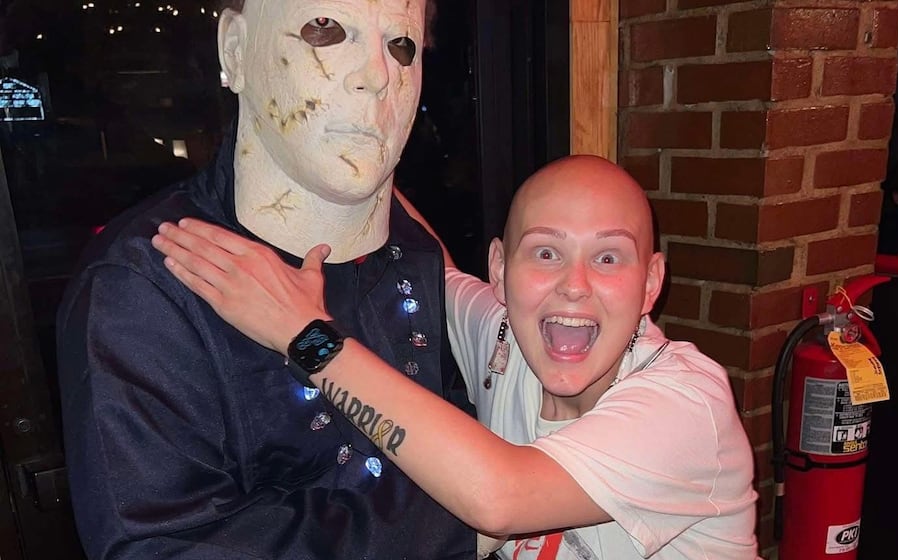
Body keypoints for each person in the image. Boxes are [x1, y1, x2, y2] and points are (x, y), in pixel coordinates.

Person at [152, 155, 761, 559]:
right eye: (545, 253)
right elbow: (438, 268)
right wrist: (363, 167)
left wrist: (303, 335)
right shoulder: (504, 337)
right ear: (500, 268)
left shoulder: (687, 406)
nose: (573, 285)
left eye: (608, 258)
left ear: (651, 282)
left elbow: (502, 499)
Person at [55, 0, 476, 558]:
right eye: (325, 29)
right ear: (236, 50)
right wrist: (466, 518)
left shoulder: (412, 253)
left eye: (402, 44)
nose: (377, 76)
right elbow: (161, 547)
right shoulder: (145, 284)